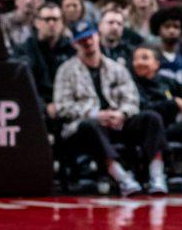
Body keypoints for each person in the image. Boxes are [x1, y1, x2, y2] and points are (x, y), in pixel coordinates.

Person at [54, 20, 169, 195]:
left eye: (90, 37)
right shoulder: (66, 70)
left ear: (97, 36)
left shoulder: (116, 68)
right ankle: (121, 177)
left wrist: (121, 114)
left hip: (117, 123)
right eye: (82, 40)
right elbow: (62, 107)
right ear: (74, 44)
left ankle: (157, 176)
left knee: (151, 118)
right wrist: (94, 114)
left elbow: (132, 99)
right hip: (84, 127)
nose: (88, 43)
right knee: (90, 125)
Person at [130, 45, 182, 193]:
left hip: (169, 127)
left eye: (144, 58)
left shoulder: (166, 81)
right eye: (136, 59)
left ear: (156, 64)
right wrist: (173, 103)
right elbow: (142, 107)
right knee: (153, 118)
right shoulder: (132, 83)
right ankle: (156, 176)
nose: (139, 62)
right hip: (146, 131)